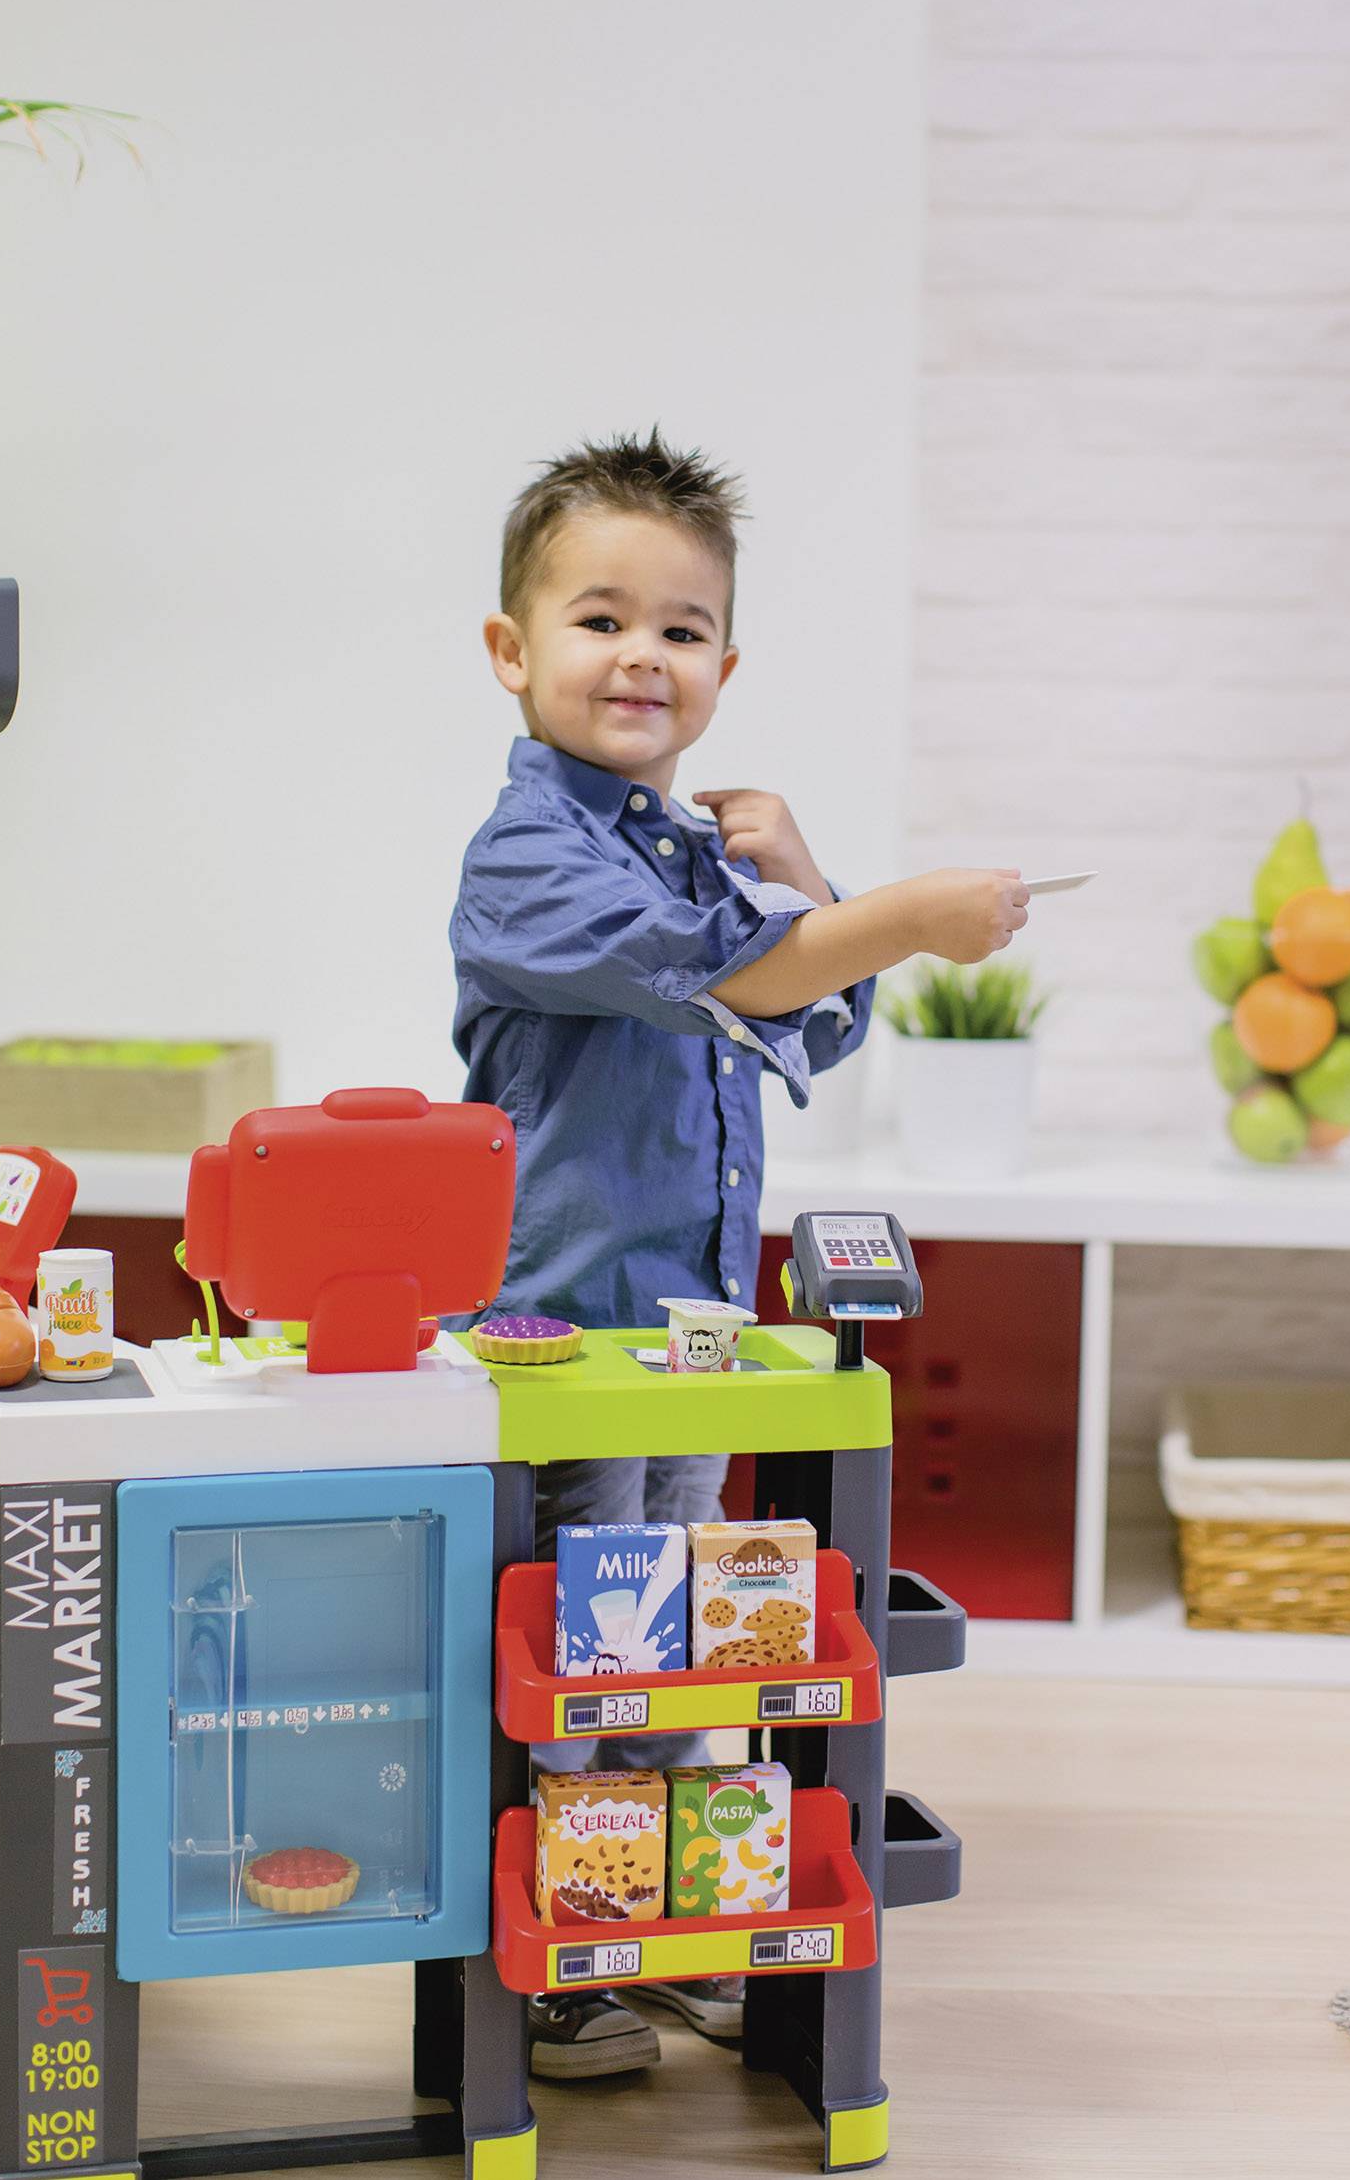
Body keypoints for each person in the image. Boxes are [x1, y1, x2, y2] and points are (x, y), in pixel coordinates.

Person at [450, 429, 1027, 2078]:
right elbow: (735, 976)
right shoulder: (530, 858)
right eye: (599, 617)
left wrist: (809, 877)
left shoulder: (685, 846)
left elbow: (810, 1021)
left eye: (682, 629)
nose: (642, 653)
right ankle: (564, 1949)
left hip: (691, 1330)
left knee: (688, 1632)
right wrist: (899, 912)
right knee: (570, 1646)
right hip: (561, 1331)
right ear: (514, 650)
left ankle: (661, 1907)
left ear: (721, 669)